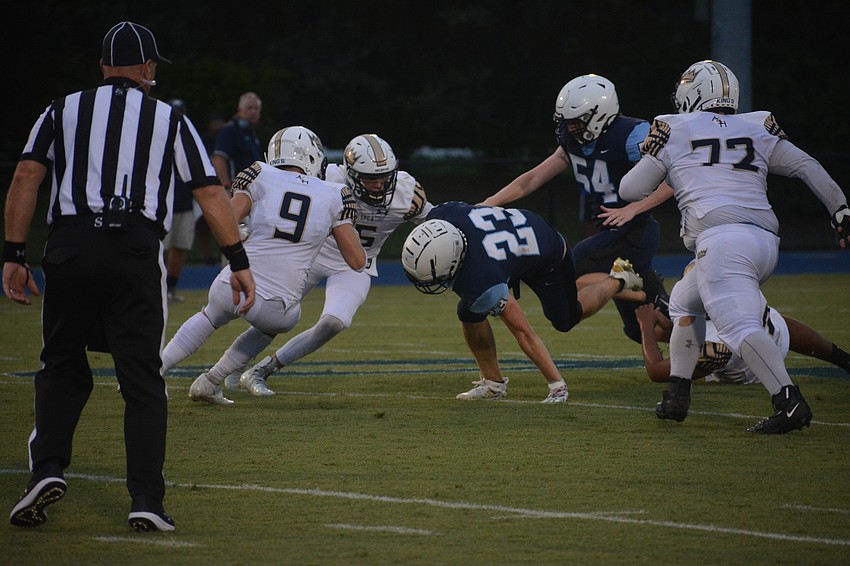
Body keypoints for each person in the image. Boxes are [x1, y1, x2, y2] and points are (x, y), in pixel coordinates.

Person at [3, 21, 255, 532]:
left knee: (61, 365)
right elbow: (209, 193)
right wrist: (238, 262)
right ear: (147, 69)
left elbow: (27, 175)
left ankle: (46, 468)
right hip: (136, 248)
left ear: (102, 67)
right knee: (141, 379)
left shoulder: (60, 109)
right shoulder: (170, 119)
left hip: (70, 246)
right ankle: (145, 499)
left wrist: (13, 253)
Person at [619, 60, 849, 434]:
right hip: (763, 242)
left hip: (722, 241)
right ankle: (677, 394)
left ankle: (788, 401)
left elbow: (629, 190)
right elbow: (806, 165)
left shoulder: (673, 128)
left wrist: (653, 150)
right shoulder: (755, 125)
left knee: (739, 325)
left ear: (692, 93)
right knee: (683, 302)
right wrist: (840, 209)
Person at [160, 126, 366, 405]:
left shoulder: (260, 173)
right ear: (311, 156)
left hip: (234, 284)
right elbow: (357, 261)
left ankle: (155, 371)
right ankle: (210, 380)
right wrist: (341, 222)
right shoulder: (335, 194)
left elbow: (225, 221)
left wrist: (243, 232)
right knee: (274, 324)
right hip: (277, 306)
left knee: (209, 317)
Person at [234, 133, 434, 395]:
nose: (378, 184)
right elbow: (275, 195)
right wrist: (242, 225)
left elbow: (434, 221)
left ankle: (261, 370)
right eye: (370, 178)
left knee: (335, 322)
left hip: (356, 263)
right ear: (350, 173)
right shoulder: (325, 177)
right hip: (312, 254)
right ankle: (230, 368)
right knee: (273, 314)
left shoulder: (407, 193)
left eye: (384, 176)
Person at [480, 74, 672, 344]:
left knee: (572, 271)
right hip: (608, 231)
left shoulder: (632, 135)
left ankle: (637, 286)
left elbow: (674, 177)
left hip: (633, 232)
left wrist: (635, 208)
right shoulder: (575, 143)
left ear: (599, 115)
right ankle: (640, 288)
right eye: (566, 123)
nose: (568, 130)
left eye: (575, 123)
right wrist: (493, 200)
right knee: (642, 330)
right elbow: (533, 178)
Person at [402, 201, 644, 403]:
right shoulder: (442, 215)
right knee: (469, 312)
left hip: (547, 253)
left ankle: (619, 279)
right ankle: (493, 384)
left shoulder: (484, 278)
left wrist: (556, 384)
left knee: (565, 318)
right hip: (511, 242)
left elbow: (522, 330)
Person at [634, 264, 850, 383]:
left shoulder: (716, 343)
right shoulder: (743, 294)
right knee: (773, 318)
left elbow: (657, 371)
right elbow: (783, 326)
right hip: (771, 336)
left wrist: (645, 326)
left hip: (746, 367)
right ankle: (843, 358)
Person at [164, 99, 196, 302]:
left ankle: (170, 289)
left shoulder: (190, 138)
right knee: (157, 249)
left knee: (180, 247)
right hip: (162, 204)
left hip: (184, 202)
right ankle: (155, 288)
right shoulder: (157, 136)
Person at [211, 92, 263, 190]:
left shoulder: (251, 133)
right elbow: (219, 159)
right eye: (249, 108)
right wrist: (226, 188)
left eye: (256, 108)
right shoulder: (230, 130)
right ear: (239, 110)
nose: (253, 112)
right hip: (238, 189)